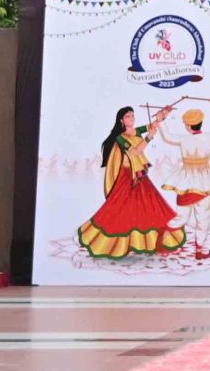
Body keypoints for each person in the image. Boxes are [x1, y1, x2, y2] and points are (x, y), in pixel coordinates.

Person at [79, 104, 185, 259]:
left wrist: (162, 116)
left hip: (139, 174)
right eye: (128, 116)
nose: (131, 118)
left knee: (150, 206)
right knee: (120, 208)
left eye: (132, 115)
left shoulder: (137, 131)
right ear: (121, 120)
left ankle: (148, 242)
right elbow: (135, 152)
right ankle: (112, 243)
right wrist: (149, 137)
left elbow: (152, 125)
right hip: (127, 176)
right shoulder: (120, 138)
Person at [157, 97, 210, 261]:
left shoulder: (182, 138)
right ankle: (199, 250)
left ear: (187, 125)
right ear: (201, 123)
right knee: (203, 218)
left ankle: (160, 241)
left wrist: (162, 119)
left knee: (182, 217)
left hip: (185, 181)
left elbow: (167, 136)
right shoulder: (209, 136)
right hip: (204, 181)